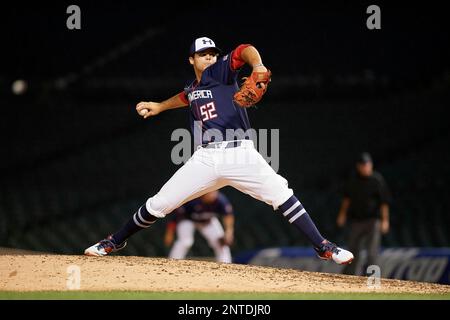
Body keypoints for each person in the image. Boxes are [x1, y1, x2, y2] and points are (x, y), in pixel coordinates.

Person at [84, 36, 353, 265]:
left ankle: (323, 246)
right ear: (191, 60)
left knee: (281, 194)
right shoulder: (194, 87)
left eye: (212, 53)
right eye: (203, 54)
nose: (210, 57)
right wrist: (158, 106)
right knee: (159, 204)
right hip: (206, 158)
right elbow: (186, 96)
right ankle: (113, 242)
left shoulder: (220, 72)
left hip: (240, 153)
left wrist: (257, 64)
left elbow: (243, 50)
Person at [336, 152, 391, 275]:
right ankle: (348, 277)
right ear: (359, 167)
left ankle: (373, 279)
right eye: (364, 165)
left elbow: (384, 202)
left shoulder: (377, 180)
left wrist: (385, 220)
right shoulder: (353, 180)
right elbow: (347, 199)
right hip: (356, 220)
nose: (366, 167)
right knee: (352, 251)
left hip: (373, 220)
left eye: (368, 164)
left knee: (372, 252)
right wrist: (342, 214)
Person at [164, 191, 234, 263]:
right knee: (186, 242)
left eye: (214, 192)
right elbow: (175, 217)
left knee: (221, 242)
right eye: (210, 192)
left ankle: (226, 264)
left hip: (208, 221)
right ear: (204, 193)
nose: (213, 195)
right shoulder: (193, 200)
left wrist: (229, 231)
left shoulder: (220, 200)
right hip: (188, 220)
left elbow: (228, 215)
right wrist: (170, 233)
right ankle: (172, 262)